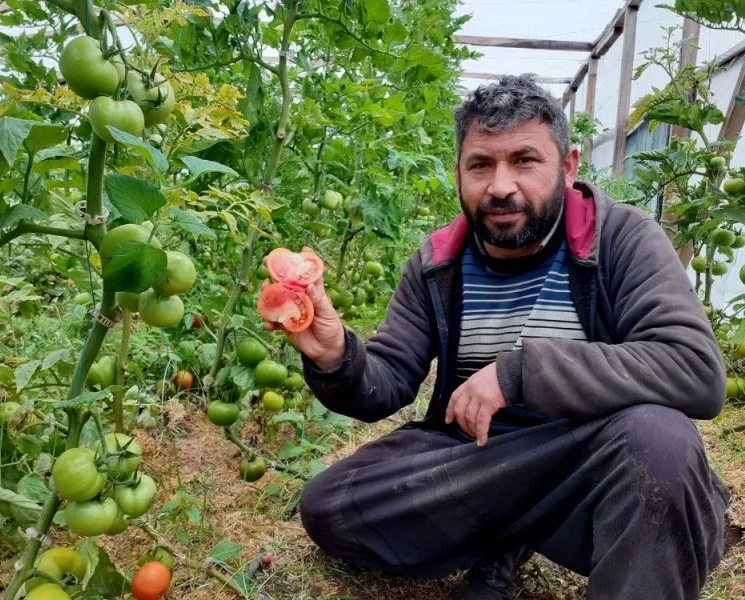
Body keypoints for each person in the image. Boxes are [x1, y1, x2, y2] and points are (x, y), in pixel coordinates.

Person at [267, 74, 730, 599]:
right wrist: (335, 356)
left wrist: (519, 374)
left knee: (660, 441)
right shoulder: (437, 263)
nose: (501, 186)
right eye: (481, 165)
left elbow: (694, 368)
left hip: (590, 468)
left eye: (525, 161)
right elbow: (389, 381)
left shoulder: (621, 239)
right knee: (331, 503)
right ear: (459, 173)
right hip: (479, 458)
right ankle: (506, 540)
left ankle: (507, 543)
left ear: (569, 166)